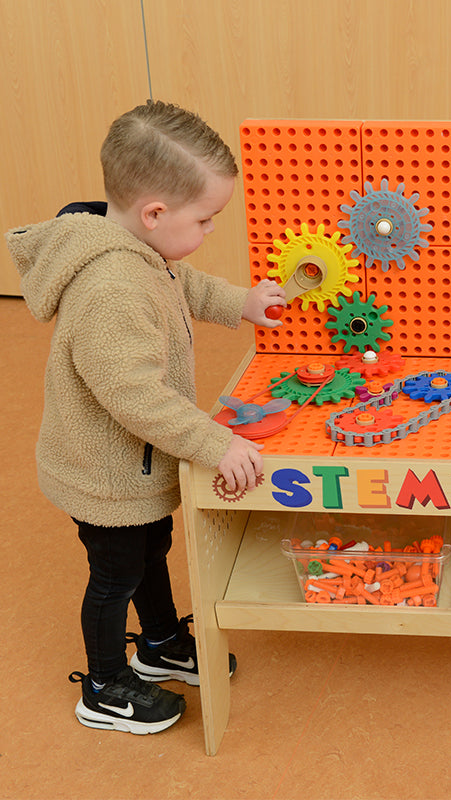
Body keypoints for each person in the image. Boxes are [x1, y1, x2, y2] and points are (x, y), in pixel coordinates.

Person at [5, 100, 286, 734]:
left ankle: (158, 644)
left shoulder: (140, 246)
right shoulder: (111, 287)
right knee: (114, 575)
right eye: (207, 219)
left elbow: (182, 281)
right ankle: (104, 686)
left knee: (150, 550)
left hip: (135, 470)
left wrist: (240, 302)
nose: (211, 230)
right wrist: (217, 443)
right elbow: (136, 397)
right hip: (105, 475)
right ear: (155, 213)